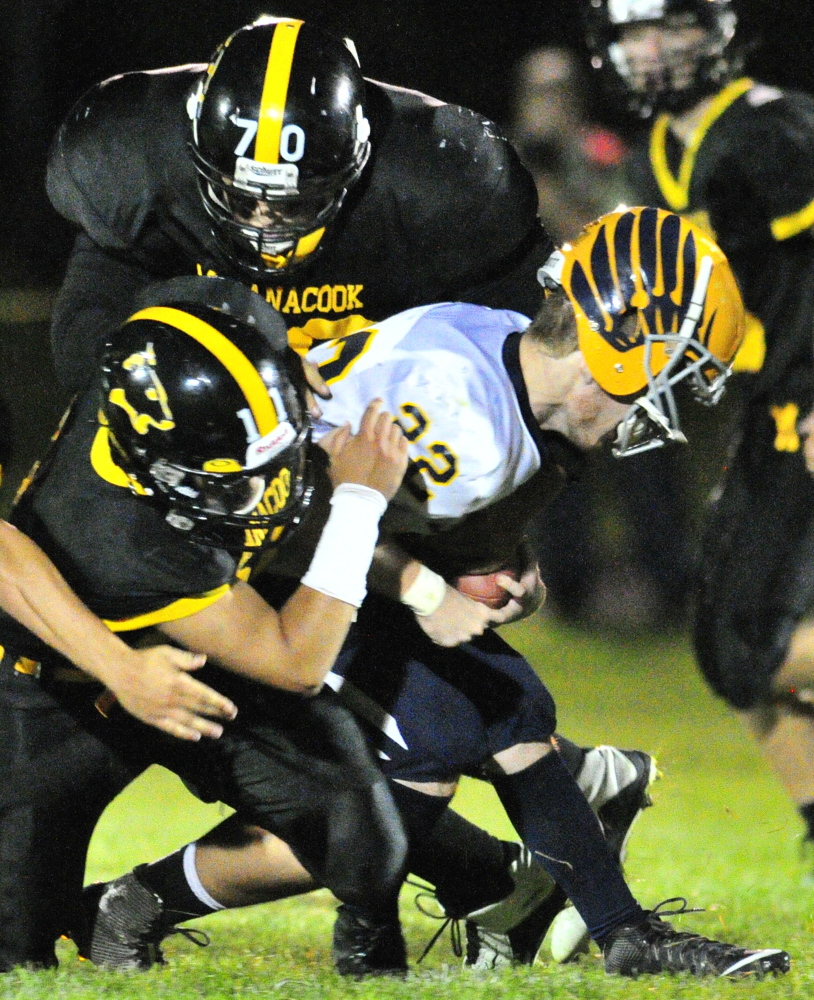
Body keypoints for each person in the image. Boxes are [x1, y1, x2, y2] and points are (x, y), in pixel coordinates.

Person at [42, 12, 659, 972]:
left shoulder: (446, 182)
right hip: (194, 503)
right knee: (289, 732)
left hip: (349, 480)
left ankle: (483, 863)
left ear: (362, 162)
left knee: (370, 750)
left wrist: (488, 541)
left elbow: (532, 381)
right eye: (241, 202)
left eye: (296, 204)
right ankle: (516, 839)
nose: (265, 226)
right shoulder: (128, 163)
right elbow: (99, 377)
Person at [78, 209, 790, 979]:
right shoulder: (469, 434)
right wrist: (423, 588)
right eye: (669, 378)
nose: (665, 408)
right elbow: (300, 514)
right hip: (234, 584)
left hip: (299, 564)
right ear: (615, 358)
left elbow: (397, 503)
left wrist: (496, 559)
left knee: (510, 708)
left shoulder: (492, 339)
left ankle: (623, 931)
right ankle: (139, 901)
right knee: (405, 789)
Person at [0, 274, 411, 973]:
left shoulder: (208, 326)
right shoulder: (115, 529)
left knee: (364, 841)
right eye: (221, 476)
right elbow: (296, 662)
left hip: (200, 660)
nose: (254, 487)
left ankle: (135, 906)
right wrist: (360, 506)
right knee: (14, 950)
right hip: (63, 691)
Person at [580, 0, 814, 863]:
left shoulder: (774, 131)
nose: (651, 49)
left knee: (746, 648)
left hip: (805, 405)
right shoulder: (655, 158)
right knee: (726, 646)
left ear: (715, 31)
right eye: (633, 31)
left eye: (669, 26)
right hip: (763, 410)